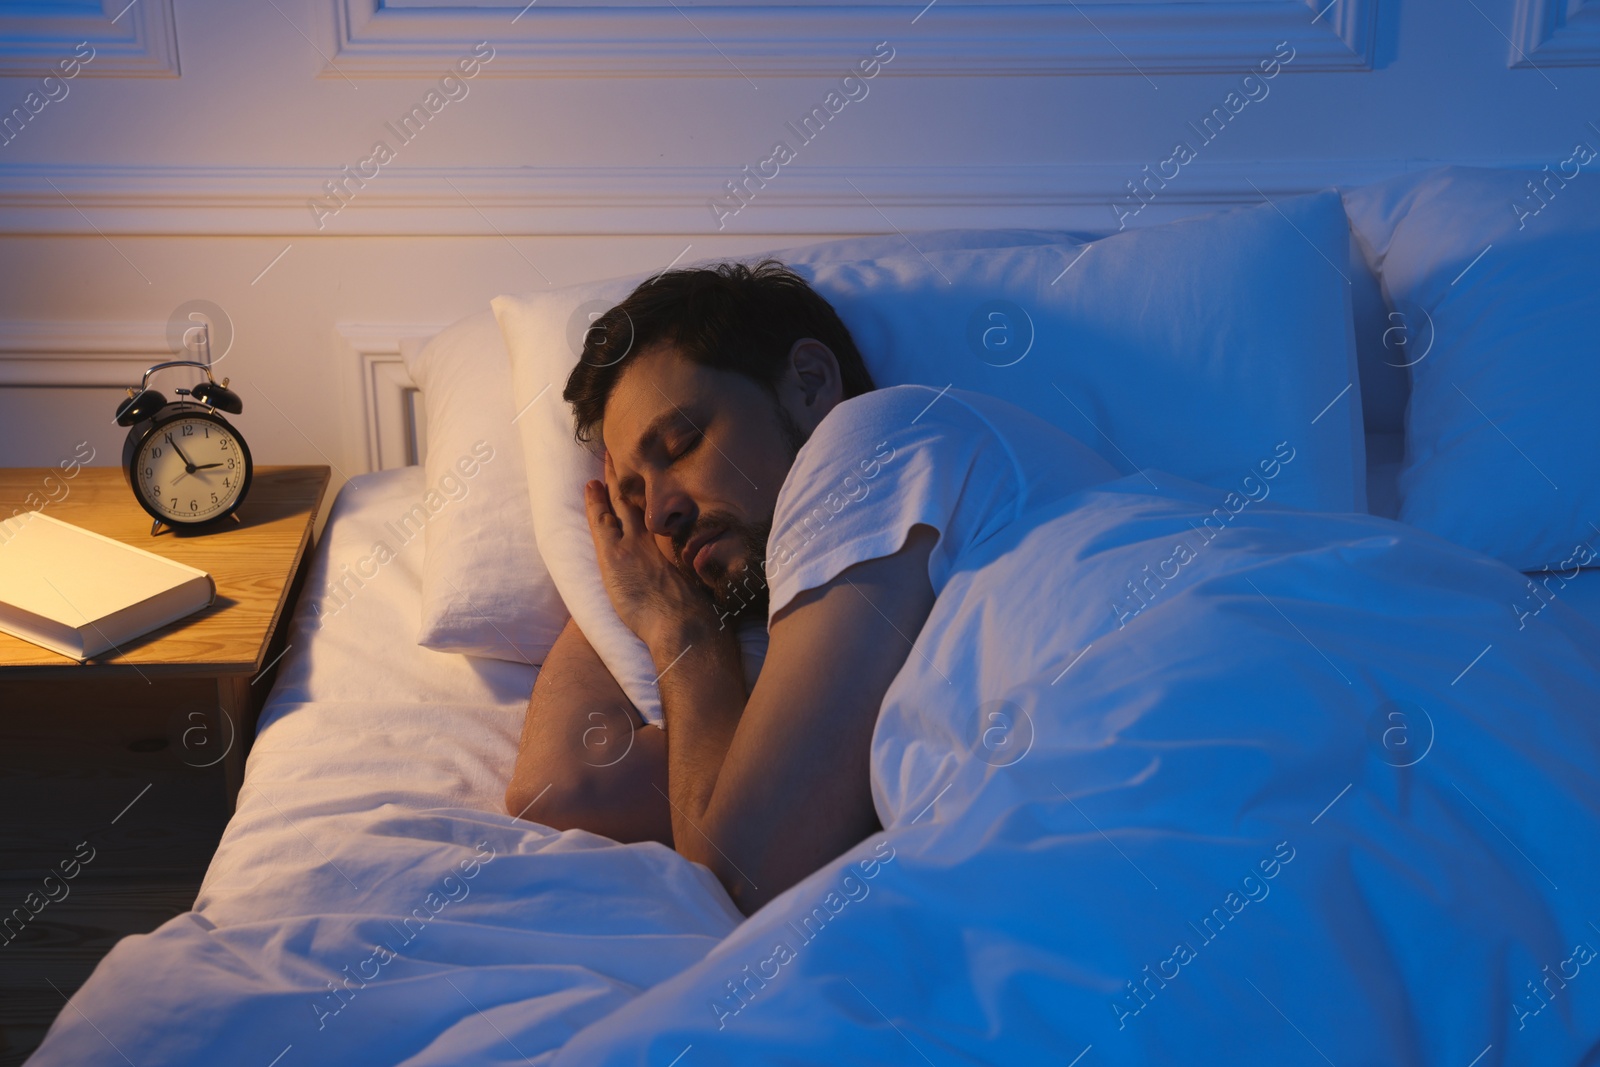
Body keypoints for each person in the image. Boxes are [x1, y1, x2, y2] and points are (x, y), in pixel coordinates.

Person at [503, 260, 1118, 914]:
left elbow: (742, 872)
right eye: (633, 500)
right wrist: (634, 584)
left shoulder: (877, 440)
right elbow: (561, 788)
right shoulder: (831, 627)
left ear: (809, 380)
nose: (658, 516)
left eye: (681, 444)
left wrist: (681, 634)